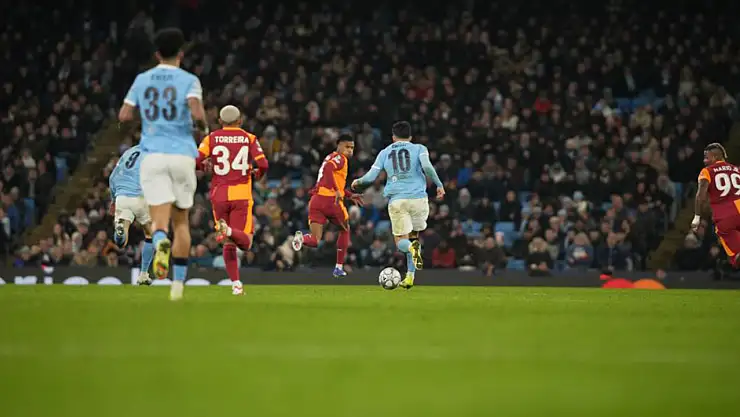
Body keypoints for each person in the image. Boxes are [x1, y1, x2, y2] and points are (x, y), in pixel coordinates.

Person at [118, 28, 207, 300]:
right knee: (181, 222)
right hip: (182, 155)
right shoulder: (189, 80)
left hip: (153, 155)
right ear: (181, 53)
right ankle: (177, 286)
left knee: (159, 221)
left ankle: (160, 241)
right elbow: (197, 113)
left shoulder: (142, 80)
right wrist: (202, 127)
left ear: (157, 54)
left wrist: (149, 121)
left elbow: (124, 115)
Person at [351, 121, 445, 289]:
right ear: (411, 137)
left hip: (398, 200)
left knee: (402, 242)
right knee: (413, 237)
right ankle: (409, 277)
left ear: (393, 137)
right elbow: (427, 167)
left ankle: (412, 251)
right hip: (419, 199)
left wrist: (357, 182)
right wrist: (439, 184)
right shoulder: (420, 148)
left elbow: (370, 177)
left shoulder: (384, 152)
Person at [195, 105, 268, 295]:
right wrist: (257, 174)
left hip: (219, 194)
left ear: (220, 121)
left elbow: (196, 160)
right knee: (245, 243)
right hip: (241, 194)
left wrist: (205, 167)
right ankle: (227, 230)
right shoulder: (249, 138)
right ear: (240, 121)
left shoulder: (211, 138)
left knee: (228, 243)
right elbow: (263, 164)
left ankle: (236, 284)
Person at [291, 133, 364, 278]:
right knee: (345, 229)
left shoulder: (329, 157)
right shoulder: (340, 158)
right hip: (331, 201)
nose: (350, 150)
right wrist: (337, 191)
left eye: (352, 148)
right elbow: (329, 169)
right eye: (347, 147)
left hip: (316, 200)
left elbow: (330, 179)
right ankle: (338, 267)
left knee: (315, 240)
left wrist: (349, 195)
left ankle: (301, 238)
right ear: (339, 145)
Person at [108, 144, 155, 285]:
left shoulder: (129, 152)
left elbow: (113, 177)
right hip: (140, 196)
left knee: (121, 242)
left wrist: (113, 199)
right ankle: (144, 274)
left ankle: (120, 229)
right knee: (150, 235)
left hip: (121, 196)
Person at [692, 142, 740, 267]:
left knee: (735, 256)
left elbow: (700, 195)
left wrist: (697, 216)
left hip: (725, 215)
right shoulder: (736, 170)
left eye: (706, 157)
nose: (704, 161)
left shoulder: (707, 171)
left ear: (715, 157)